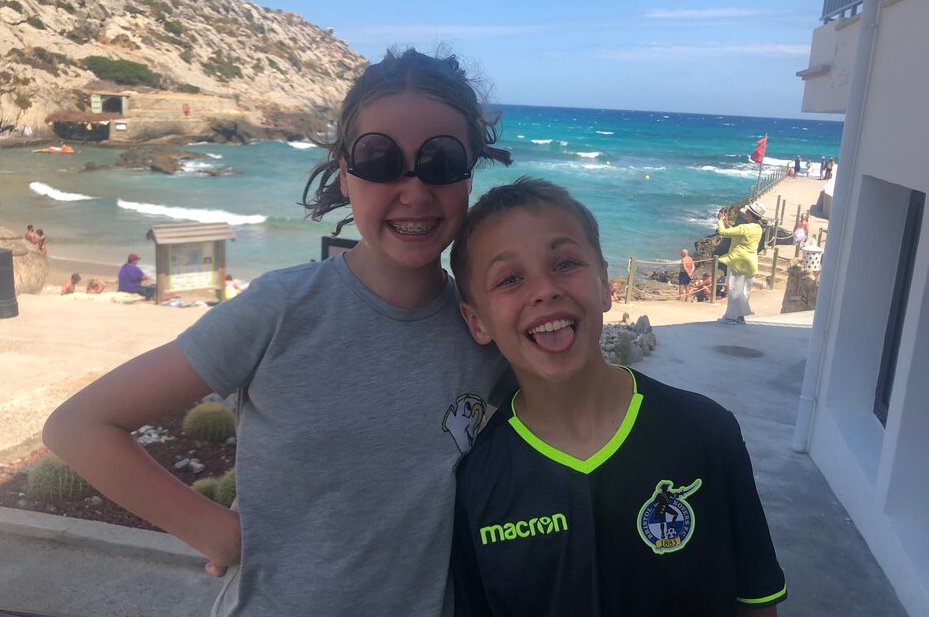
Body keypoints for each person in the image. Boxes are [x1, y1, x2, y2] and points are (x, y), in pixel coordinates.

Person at [43, 48, 513, 616]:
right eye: (379, 158)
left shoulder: (485, 330)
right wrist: (218, 534)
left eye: (439, 159)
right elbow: (79, 426)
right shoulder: (281, 308)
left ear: (468, 174)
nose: (413, 191)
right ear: (344, 171)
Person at [448, 177, 786, 616]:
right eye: (510, 278)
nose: (544, 290)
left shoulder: (706, 434)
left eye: (565, 263)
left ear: (606, 282)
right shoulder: (477, 480)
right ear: (477, 322)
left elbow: (756, 602)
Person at [716, 202, 765, 325]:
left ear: (750, 214)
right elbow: (736, 233)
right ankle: (740, 317)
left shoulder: (744, 228)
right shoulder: (758, 228)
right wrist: (729, 225)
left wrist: (720, 221)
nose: (745, 212)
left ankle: (730, 317)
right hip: (751, 263)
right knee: (744, 291)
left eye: (747, 211)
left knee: (734, 289)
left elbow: (723, 233)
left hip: (738, 262)